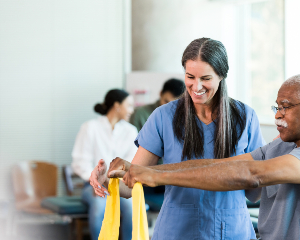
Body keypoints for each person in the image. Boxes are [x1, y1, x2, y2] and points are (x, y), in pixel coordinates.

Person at [119, 73, 300, 240]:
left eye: (285, 107)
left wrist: (155, 176)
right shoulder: (282, 147)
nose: (278, 116)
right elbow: (221, 166)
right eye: (277, 107)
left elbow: (250, 175)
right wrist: (139, 170)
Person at [90, 37, 265, 240]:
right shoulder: (163, 117)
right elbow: (131, 184)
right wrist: (106, 180)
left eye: (205, 78)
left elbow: (255, 192)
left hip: (231, 230)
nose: (196, 86)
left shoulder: (245, 117)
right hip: (177, 230)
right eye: (190, 76)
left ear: (222, 76)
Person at [71, 89, 137, 240]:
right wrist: (98, 182)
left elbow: (130, 164)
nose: (132, 111)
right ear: (117, 105)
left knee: (131, 207)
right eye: (129, 105)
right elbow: (80, 162)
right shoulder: (90, 127)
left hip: (120, 186)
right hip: (93, 186)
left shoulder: (131, 131)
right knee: (100, 205)